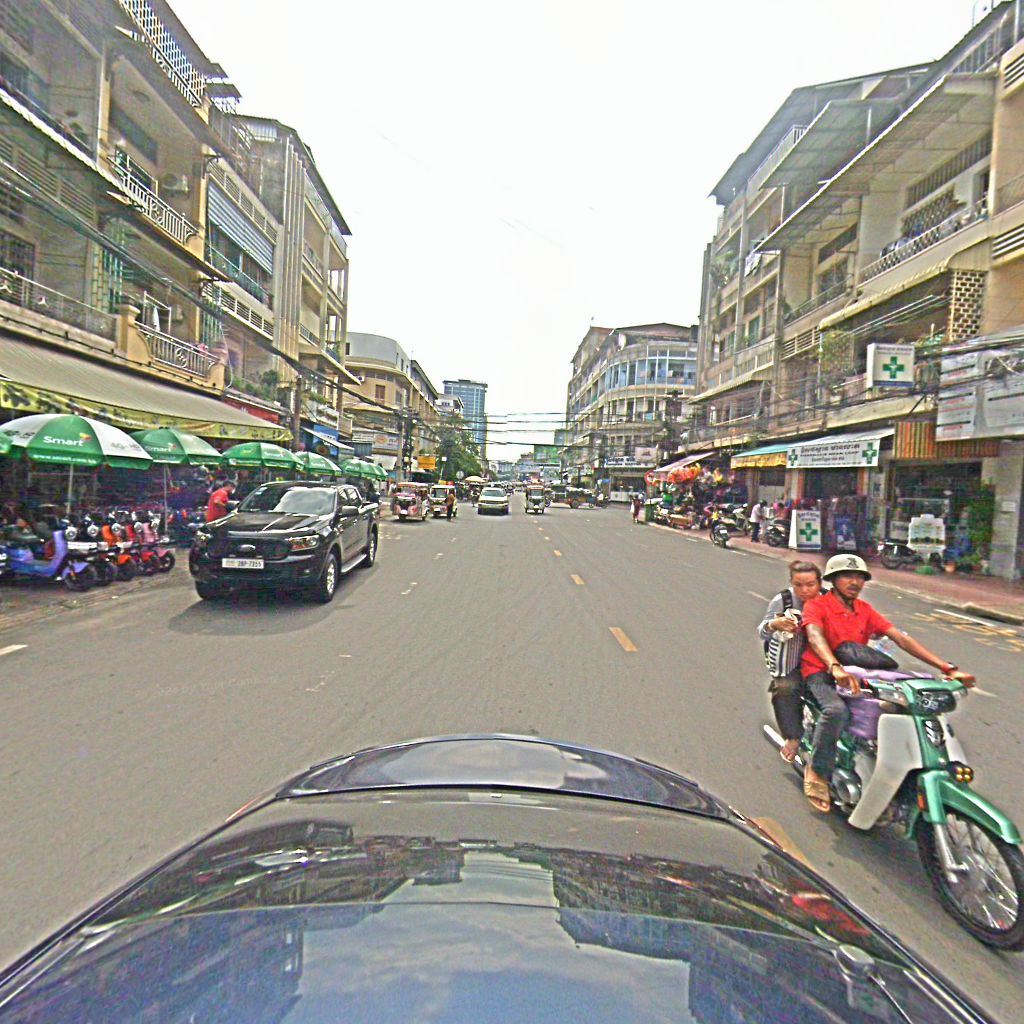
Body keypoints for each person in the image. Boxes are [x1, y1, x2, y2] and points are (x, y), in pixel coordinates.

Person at [800, 553, 976, 814]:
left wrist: (948, 668)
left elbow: (900, 639)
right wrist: (833, 666)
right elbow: (815, 636)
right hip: (821, 672)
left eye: (859, 577)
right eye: (847, 576)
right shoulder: (817, 605)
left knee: (896, 710)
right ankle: (818, 771)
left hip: (858, 674)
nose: (855, 582)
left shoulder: (864, 610)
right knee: (836, 711)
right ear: (833, 580)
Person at [757, 561, 823, 763]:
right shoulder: (783, 600)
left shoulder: (828, 600)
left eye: (810, 585)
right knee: (785, 688)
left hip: (821, 660)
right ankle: (792, 738)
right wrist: (775, 624)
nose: (805, 590)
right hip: (790, 661)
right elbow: (762, 632)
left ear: (820, 583)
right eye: (798, 585)